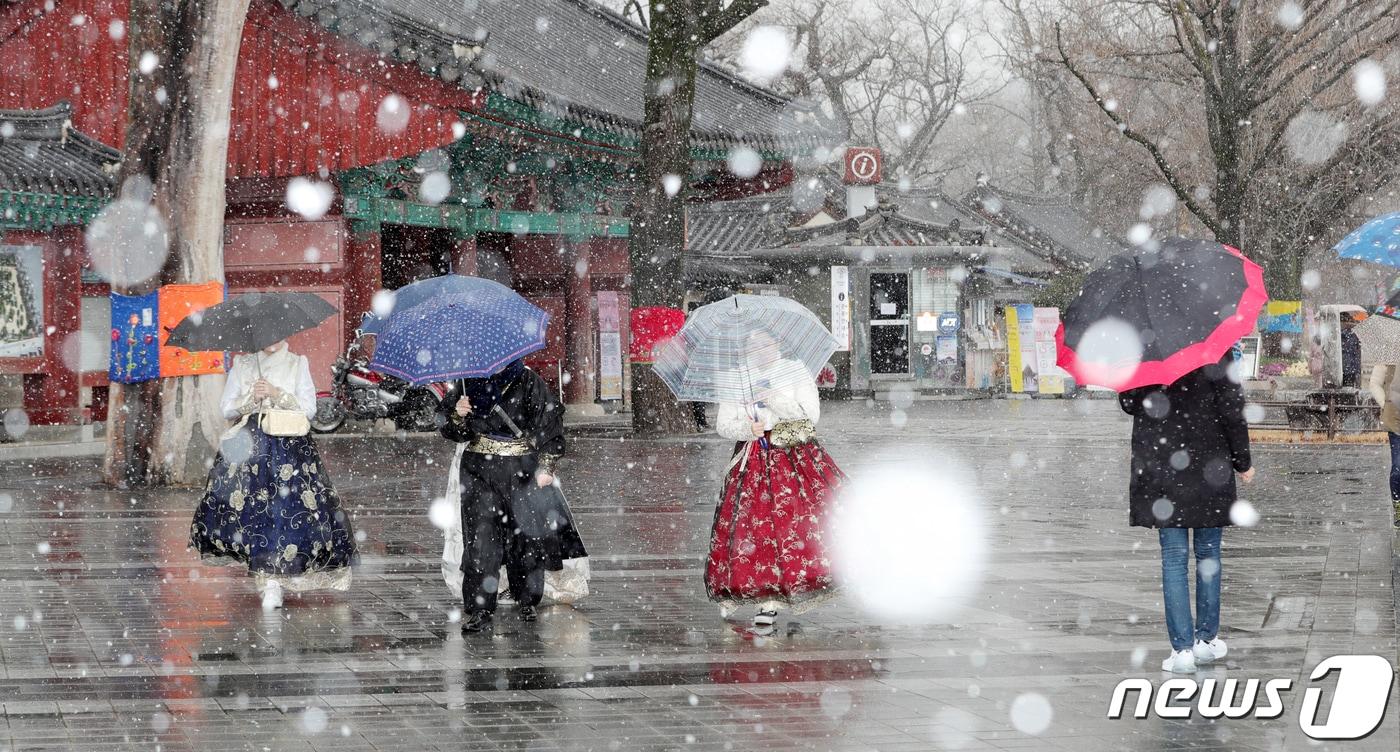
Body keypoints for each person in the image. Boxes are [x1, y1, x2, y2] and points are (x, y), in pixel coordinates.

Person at [190, 340, 358, 610]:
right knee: (257, 514)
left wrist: (278, 393)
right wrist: (250, 400)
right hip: (249, 450)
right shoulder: (243, 364)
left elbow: (310, 409)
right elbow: (226, 409)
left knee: (286, 512)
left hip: (289, 449)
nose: (273, 342)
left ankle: (276, 581)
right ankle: (268, 580)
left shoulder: (296, 363)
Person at [1118, 354, 1254, 673]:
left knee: (1174, 558)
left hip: (1163, 464)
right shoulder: (1214, 349)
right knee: (1208, 553)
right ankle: (1205, 640)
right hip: (1210, 467)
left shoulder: (1145, 349)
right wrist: (1242, 461)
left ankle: (1182, 650)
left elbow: (1128, 402)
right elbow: (1232, 409)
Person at [708, 334, 845, 635]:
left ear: (777, 346)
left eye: (765, 345)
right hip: (752, 459)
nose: (760, 352)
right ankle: (762, 594)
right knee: (753, 528)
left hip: (792, 457)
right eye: (752, 346)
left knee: (792, 525)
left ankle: (792, 584)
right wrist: (748, 427)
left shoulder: (796, 372)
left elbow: (810, 416)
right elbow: (723, 424)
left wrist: (772, 398)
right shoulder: (737, 378)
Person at [437, 360, 586, 633]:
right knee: (481, 537)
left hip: (522, 468)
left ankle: (527, 597)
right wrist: (459, 414)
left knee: (526, 535)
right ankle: (481, 606)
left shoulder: (528, 380)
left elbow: (549, 421)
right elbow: (452, 430)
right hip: (479, 468)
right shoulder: (467, 381)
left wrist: (547, 465)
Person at [1368, 361, 1400, 524]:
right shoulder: (1390, 356)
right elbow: (1374, 383)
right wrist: (1385, 403)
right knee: (1398, 468)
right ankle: (1398, 504)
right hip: (1396, 421)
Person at [1341, 312, 1363, 388]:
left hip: (1344, 368)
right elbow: (1357, 353)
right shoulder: (1354, 334)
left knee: (1341, 393)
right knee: (1349, 392)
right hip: (1351, 368)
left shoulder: (1338, 334)